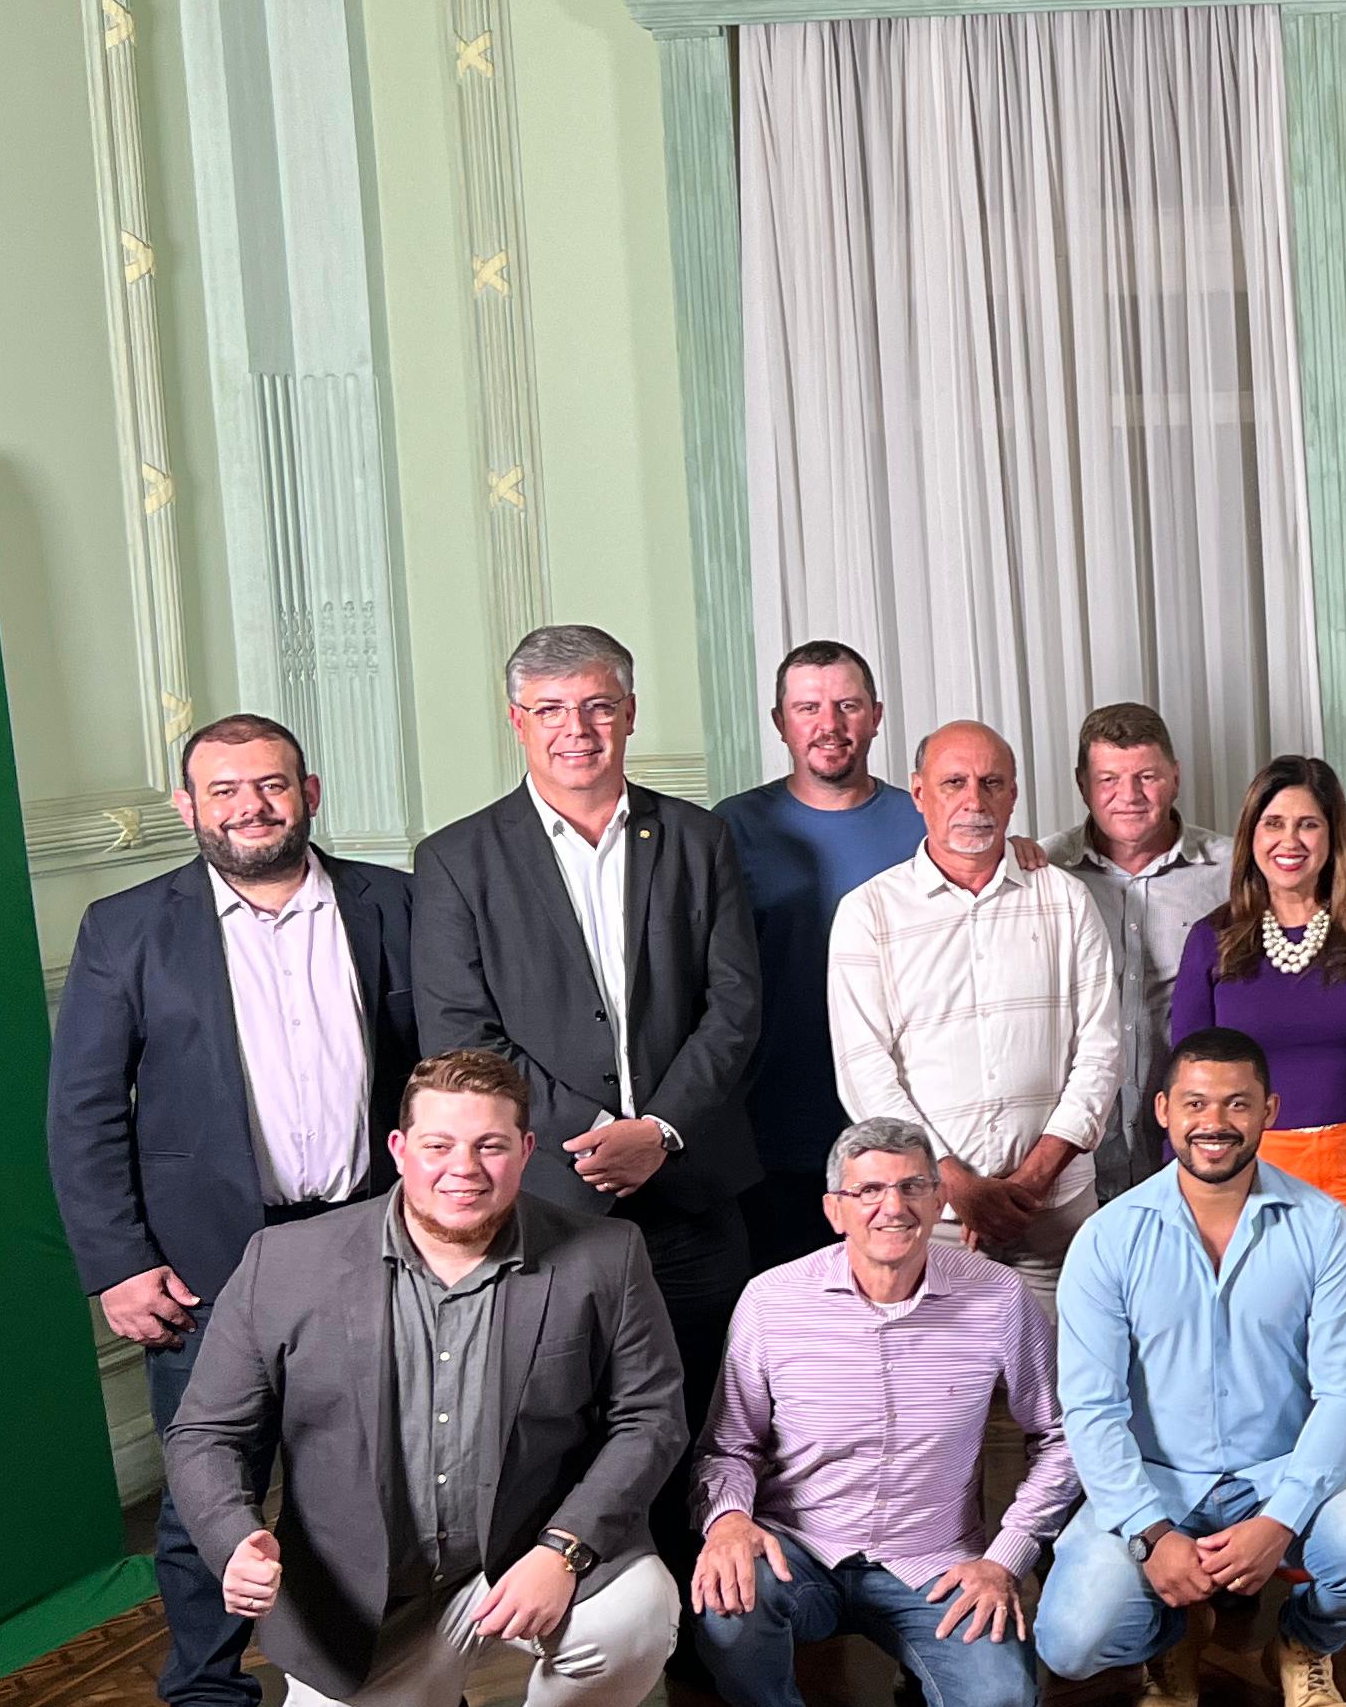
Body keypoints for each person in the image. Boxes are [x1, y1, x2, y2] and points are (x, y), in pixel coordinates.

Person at [161, 1051, 688, 1707]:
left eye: (489, 1146)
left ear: (526, 1150)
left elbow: (650, 1419)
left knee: (641, 1611)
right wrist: (235, 1539)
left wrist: (565, 1550)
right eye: (440, 1147)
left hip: (527, 1558)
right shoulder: (284, 1262)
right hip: (368, 1595)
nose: (464, 1171)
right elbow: (203, 1434)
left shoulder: (604, 1255)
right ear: (400, 1149)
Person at [47, 713, 417, 1707]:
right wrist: (118, 1263)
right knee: (204, 1493)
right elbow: (81, 1114)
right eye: (224, 790)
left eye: (269, 786)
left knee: (371, 1482)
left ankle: (374, 1690)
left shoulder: (390, 903)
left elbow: (438, 1067)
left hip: (370, 1237)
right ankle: (208, 1703)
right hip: (211, 1263)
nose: (249, 807)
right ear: (186, 805)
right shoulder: (128, 928)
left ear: (309, 788)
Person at [412, 622, 765, 1557]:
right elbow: (462, 1037)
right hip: (551, 1198)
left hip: (690, 1189)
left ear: (631, 715)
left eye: (599, 706)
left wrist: (661, 1130)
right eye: (553, 710)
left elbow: (735, 1006)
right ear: (518, 722)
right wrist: (597, 1136)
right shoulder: (456, 859)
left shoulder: (697, 837)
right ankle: (585, 1609)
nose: (578, 729)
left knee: (703, 1411)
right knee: (562, 1415)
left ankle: (705, 1627)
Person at [686, 1115, 1079, 1707]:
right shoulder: (771, 1302)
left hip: (931, 1558)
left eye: (911, 1188)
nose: (890, 1207)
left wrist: (1006, 1559)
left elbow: (1058, 1437)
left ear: (938, 1202)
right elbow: (728, 1445)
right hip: (799, 1549)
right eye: (867, 1190)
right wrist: (730, 1521)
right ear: (834, 1208)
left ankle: (929, 1682)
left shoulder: (998, 1299)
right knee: (727, 1600)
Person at [1035, 1029, 1346, 1707]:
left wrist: (1282, 1519)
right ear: (1163, 1111)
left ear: (1268, 1110)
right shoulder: (1108, 1239)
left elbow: (1345, 1395)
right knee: (1071, 1642)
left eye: (1237, 1103)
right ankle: (1174, 1631)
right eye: (1197, 1103)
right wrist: (1151, 1535)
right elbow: (1091, 1408)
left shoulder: (1326, 1228)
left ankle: (1302, 1645)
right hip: (1156, 1482)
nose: (1216, 1122)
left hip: (1283, 1469)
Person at [1173, 755, 1346, 1511]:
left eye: (1308, 822)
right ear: (1251, 836)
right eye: (1274, 823)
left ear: (1334, 836)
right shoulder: (1214, 939)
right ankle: (1280, 1538)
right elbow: (1184, 1080)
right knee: (1269, 1367)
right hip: (1253, 1182)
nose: (1290, 839)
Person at [827, 720, 1122, 1315]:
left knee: (1064, 1400)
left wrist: (1030, 1183)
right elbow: (865, 1070)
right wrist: (954, 1185)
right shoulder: (867, 913)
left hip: (1055, 1214)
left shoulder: (1064, 898)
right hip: (922, 1218)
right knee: (939, 1398)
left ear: (1014, 795)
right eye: (954, 783)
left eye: (992, 783)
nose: (974, 802)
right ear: (917, 793)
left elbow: (1100, 1052)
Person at [716, 642, 922, 1269]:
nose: (829, 725)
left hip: (904, 1115)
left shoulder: (922, 822)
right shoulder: (729, 827)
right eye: (808, 708)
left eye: (847, 706)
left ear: (877, 715)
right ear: (780, 722)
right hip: (774, 1123)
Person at [1052, 701, 1230, 1200]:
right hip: (1075, 1160)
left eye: (1146, 776)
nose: (1128, 796)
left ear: (1175, 777)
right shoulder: (1041, 874)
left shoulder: (1234, 873)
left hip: (1198, 1149)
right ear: (1082, 784)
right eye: (1108, 779)